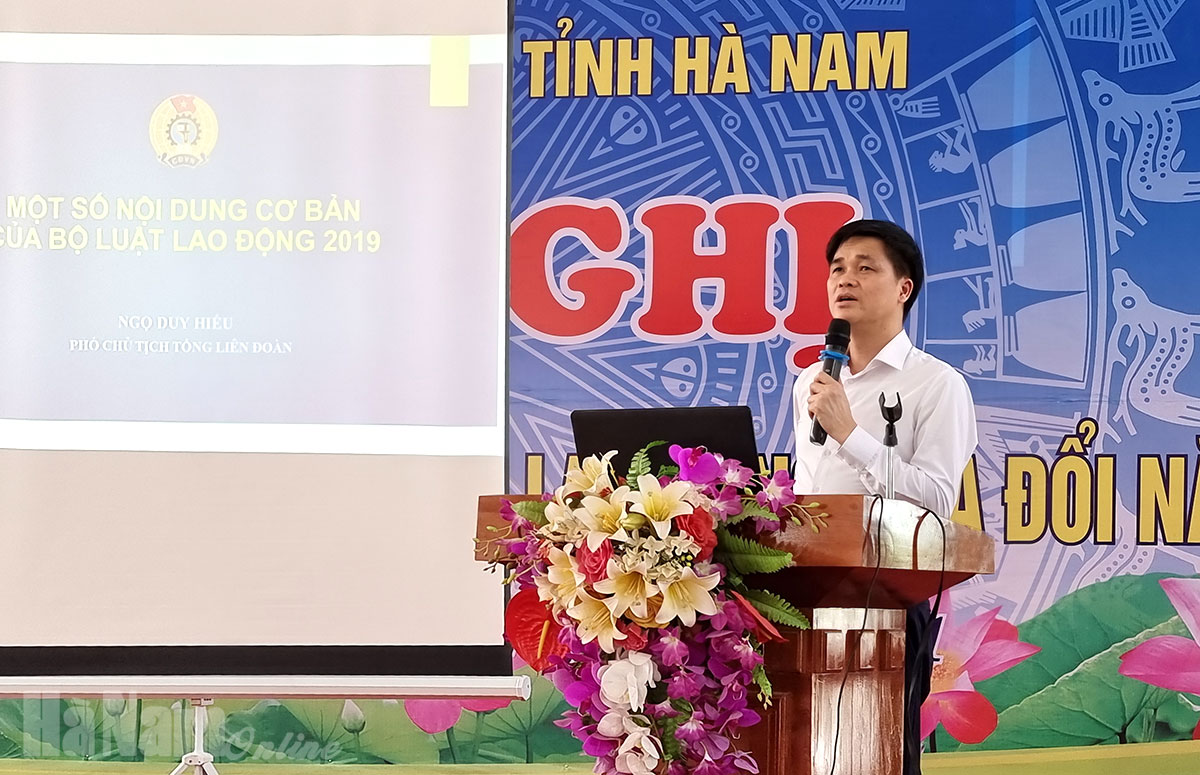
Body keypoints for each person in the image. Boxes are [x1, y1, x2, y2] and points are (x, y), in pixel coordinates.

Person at [791, 219, 977, 775]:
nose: (844, 279)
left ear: (904, 288)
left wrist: (851, 434)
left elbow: (936, 500)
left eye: (864, 267)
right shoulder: (811, 382)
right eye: (837, 269)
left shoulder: (936, 384)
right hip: (804, 599)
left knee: (880, 757)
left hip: (888, 598)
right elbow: (809, 491)